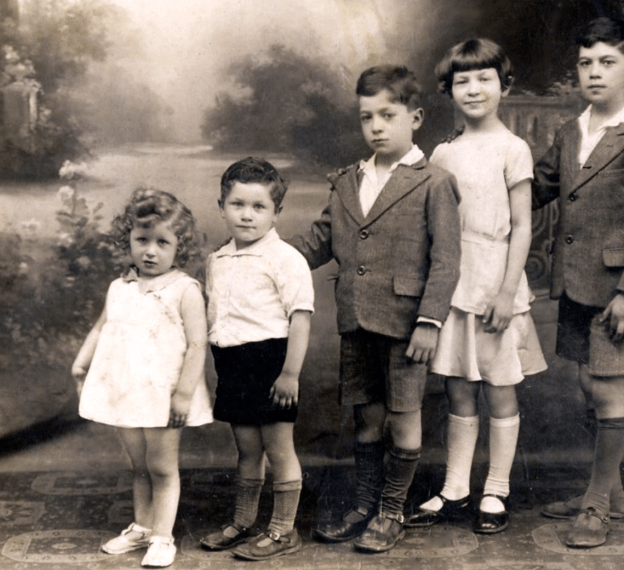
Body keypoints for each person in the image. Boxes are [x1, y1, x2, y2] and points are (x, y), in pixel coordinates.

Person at [291, 64, 461, 553]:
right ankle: (365, 503)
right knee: (367, 419)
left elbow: (447, 261)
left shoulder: (434, 182)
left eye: (388, 114)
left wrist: (430, 321)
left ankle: (391, 510)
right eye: (367, 117)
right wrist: (261, 254)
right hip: (357, 322)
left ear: (416, 117)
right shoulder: (347, 181)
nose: (377, 127)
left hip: (408, 325)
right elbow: (318, 242)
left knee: (404, 418)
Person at [532, 17, 624, 548]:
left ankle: (596, 507)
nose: (594, 73)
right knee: (587, 385)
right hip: (576, 283)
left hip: (618, 291)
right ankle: (608, 489)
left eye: (607, 62)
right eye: (586, 62)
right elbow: (539, 186)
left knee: (609, 390)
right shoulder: (573, 131)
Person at [405, 38, 547, 535]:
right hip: (454, 279)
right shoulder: (443, 153)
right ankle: (456, 488)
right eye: (462, 80)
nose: (474, 89)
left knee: (500, 390)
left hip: (495, 278)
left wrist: (507, 292)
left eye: (485, 78)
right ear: (448, 90)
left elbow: (523, 226)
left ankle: (497, 490)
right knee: (459, 389)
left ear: (504, 86)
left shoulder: (514, 148)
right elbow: (433, 226)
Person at [72, 188, 213, 568]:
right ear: (128, 240)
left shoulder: (184, 290)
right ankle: (142, 527)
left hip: (166, 394)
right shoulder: (121, 287)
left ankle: (163, 538)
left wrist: (183, 394)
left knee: (162, 467)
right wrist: (81, 363)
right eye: (141, 240)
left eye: (162, 242)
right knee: (139, 466)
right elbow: (102, 328)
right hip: (128, 391)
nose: (150, 251)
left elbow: (198, 345)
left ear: (179, 247)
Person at [199, 157, 314, 561]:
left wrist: (290, 374)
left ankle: (283, 530)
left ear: (276, 212)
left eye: (258, 207)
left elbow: (300, 319)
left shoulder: (286, 259)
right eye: (237, 205)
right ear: (221, 206)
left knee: (278, 448)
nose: (247, 215)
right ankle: (244, 521)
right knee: (247, 448)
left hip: (271, 363)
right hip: (232, 362)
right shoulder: (217, 259)